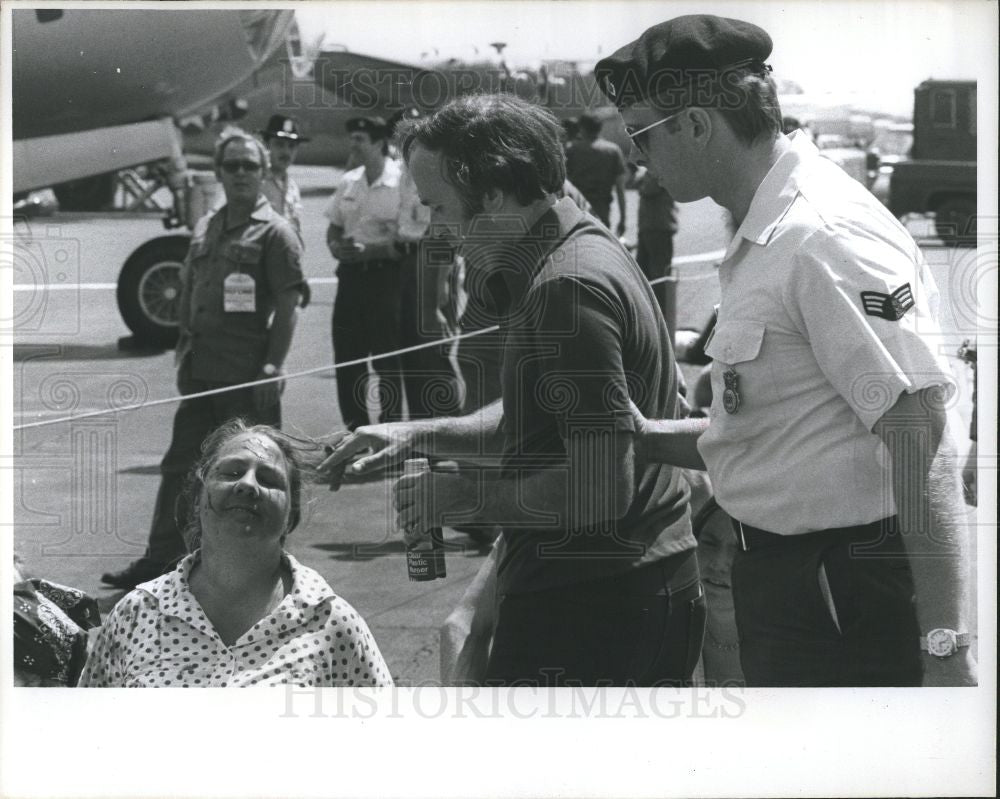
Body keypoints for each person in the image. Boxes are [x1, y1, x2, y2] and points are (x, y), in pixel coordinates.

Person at [596, 14, 977, 686]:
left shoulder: (817, 235)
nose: (636, 154)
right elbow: (784, 429)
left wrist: (946, 645)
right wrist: (648, 437)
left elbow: (920, 439)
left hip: (840, 590)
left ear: (696, 124)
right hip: (791, 581)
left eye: (641, 132)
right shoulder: (766, 227)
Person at [322, 94, 703, 687]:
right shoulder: (578, 245)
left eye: (442, 208)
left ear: (494, 194)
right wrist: (418, 432)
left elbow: (601, 487)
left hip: (590, 606)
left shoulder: (565, 289)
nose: (442, 233)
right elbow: (544, 413)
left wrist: (460, 499)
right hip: (625, 587)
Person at [101, 131, 305, 591]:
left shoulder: (275, 233)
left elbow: (289, 305)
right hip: (202, 375)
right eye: (230, 166)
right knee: (180, 470)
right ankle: (160, 563)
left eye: (248, 166)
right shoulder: (209, 226)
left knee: (257, 479)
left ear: (263, 172)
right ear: (219, 172)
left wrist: (273, 367)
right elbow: (193, 290)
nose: (239, 174)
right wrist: (184, 353)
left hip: (246, 378)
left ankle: (269, 572)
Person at [81, 421, 392, 687]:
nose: (247, 484)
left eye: (269, 479)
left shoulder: (331, 622)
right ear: (197, 498)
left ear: (291, 515)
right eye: (231, 473)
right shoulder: (136, 614)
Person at [324, 116, 407, 431]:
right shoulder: (349, 180)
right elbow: (334, 224)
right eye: (352, 139)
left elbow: (406, 237)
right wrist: (334, 245)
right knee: (348, 358)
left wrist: (371, 251)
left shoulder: (400, 181)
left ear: (378, 143)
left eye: (359, 139)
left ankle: (390, 429)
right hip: (350, 278)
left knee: (387, 358)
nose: (352, 145)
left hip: (385, 278)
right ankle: (355, 430)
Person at [389, 107, 463, 420]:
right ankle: (422, 432)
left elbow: (444, 235)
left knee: (435, 348)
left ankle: (451, 427)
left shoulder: (433, 172)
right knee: (411, 349)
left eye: (411, 136)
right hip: (406, 262)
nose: (405, 143)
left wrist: (436, 297)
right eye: (400, 137)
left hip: (434, 264)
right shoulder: (401, 174)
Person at [565, 112, 627, 235]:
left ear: (581, 128)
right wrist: (623, 219)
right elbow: (620, 189)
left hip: (576, 210)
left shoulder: (571, 150)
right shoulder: (613, 150)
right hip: (602, 210)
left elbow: (563, 184)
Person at [258, 113, 308, 242]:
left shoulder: (292, 187)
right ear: (266, 145)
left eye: (292, 146)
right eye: (280, 145)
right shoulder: (256, 182)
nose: (286, 152)